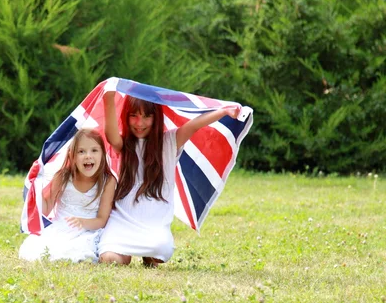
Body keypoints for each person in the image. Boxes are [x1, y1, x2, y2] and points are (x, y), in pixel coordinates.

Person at [98, 91, 241, 267]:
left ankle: (149, 255)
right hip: (123, 218)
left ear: (156, 118)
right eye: (133, 116)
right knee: (109, 259)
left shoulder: (168, 142)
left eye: (146, 116)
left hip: (154, 221)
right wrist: (109, 97)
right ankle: (126, 254)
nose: (139, 123)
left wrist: (223, 112)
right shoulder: (126, 144)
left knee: (160, 250)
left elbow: (194, 125)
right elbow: (111, 134)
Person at [19, 129, 116, 262]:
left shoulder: (108, 181)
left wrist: (83, 222)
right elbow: (46, 209)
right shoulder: (63, 176)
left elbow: (102, 220)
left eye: (94, 150)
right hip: (60, 227)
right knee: (41, 250)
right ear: (72, 156)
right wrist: (36, 188)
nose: (88, 156)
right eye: (81, 151)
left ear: (103, 154)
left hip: (88, 230)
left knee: (78, 252)